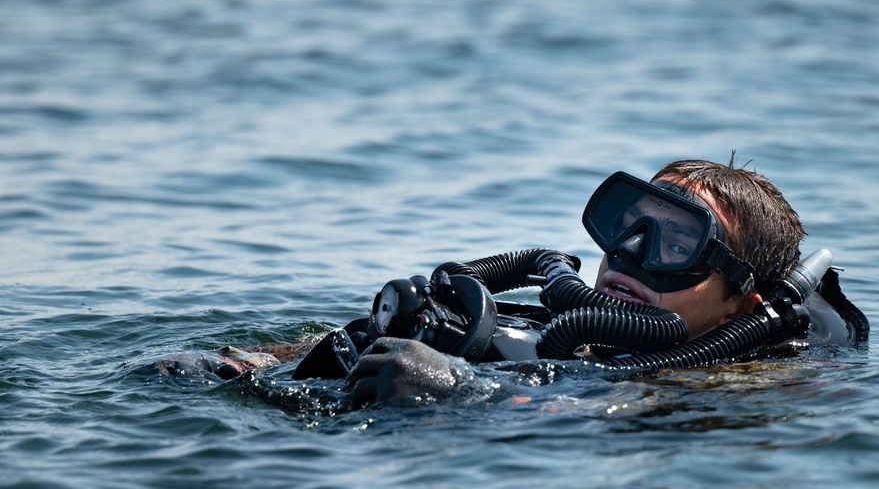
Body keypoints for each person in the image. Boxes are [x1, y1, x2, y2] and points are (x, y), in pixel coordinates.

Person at [342, 155, 847, 407]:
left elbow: (575, 427)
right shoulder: (557, 327)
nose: (627, 254)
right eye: (631, 227)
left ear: (738, 306)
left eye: (675, 246)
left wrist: (457, 390)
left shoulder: (718, 385)